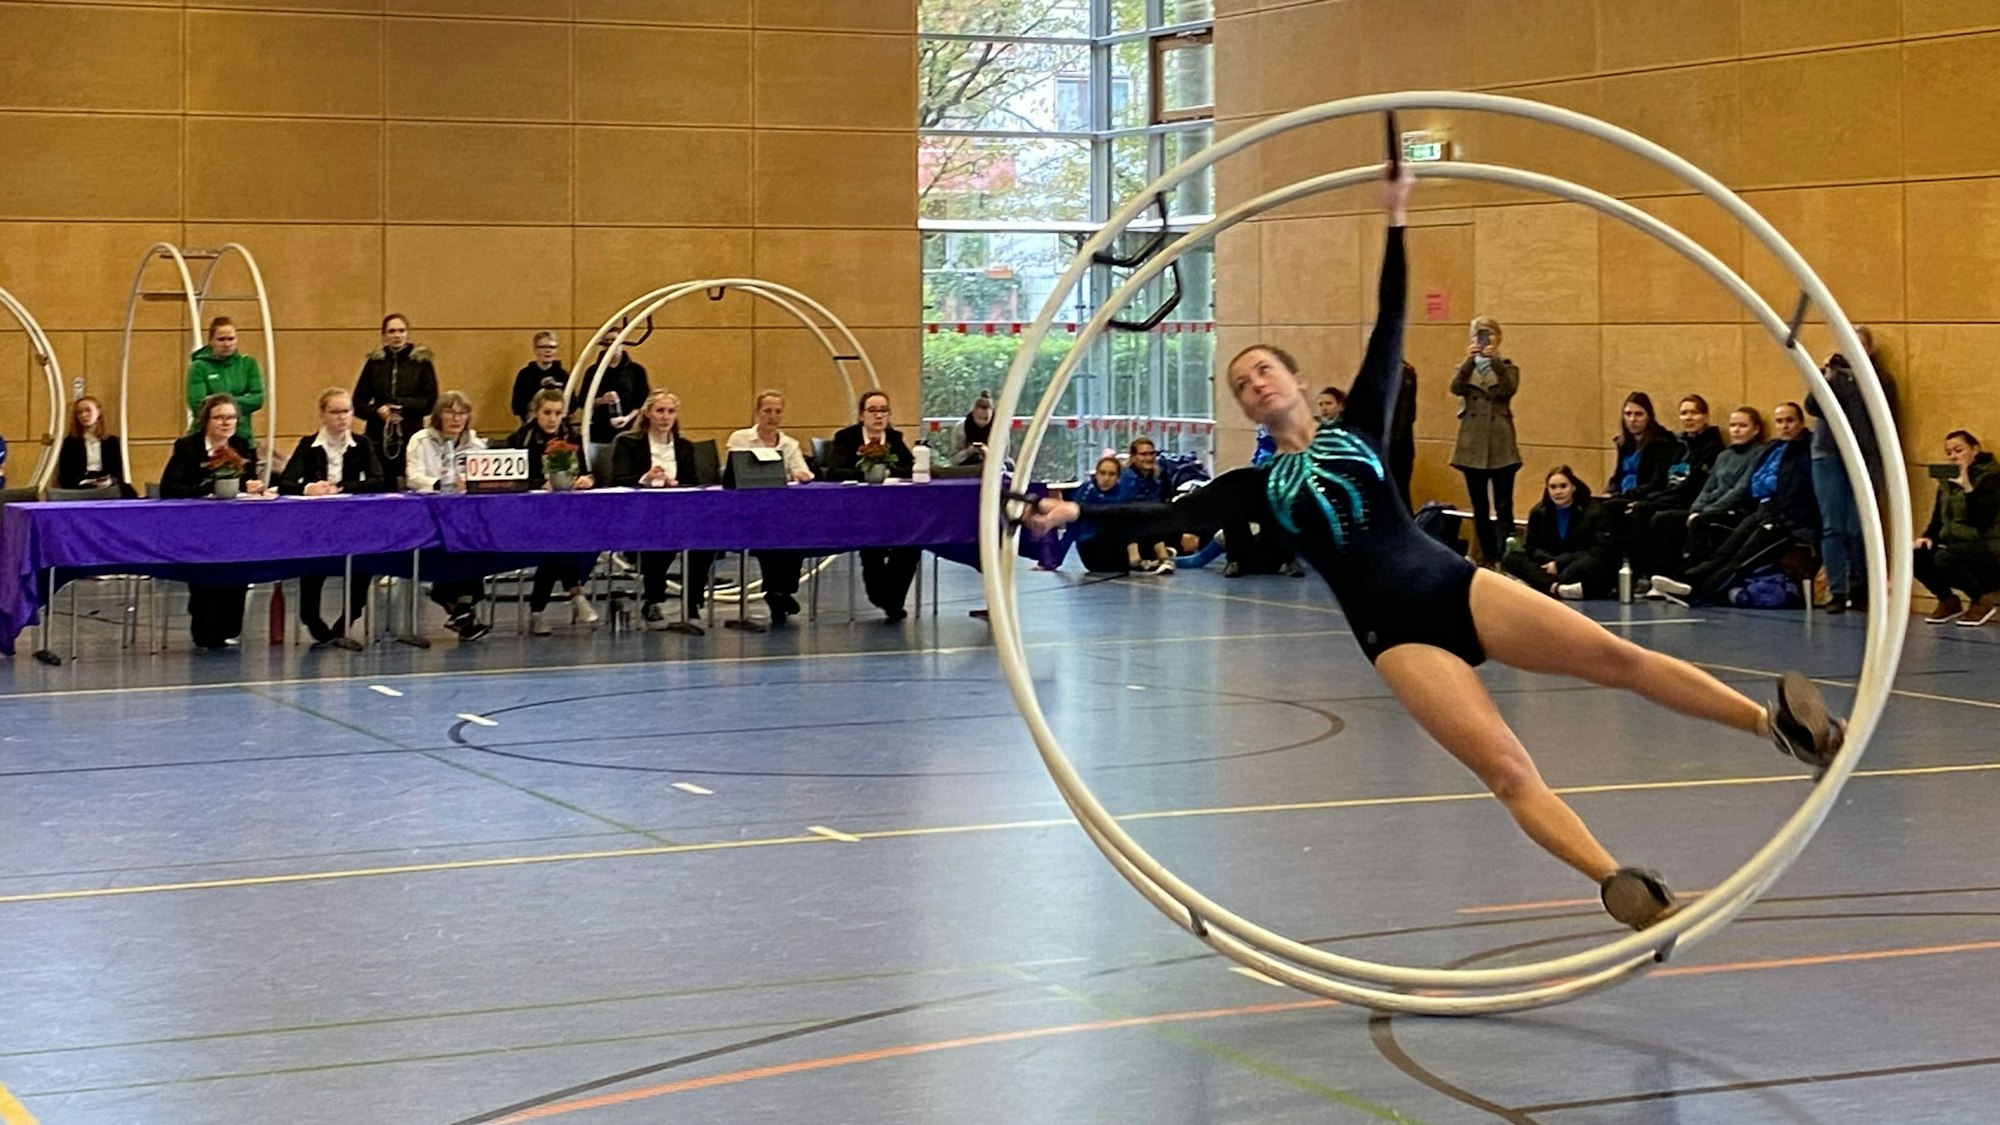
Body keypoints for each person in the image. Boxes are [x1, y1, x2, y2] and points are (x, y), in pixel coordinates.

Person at [1022, 169, 1845, 932]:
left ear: (1297, 380)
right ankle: (1622, 884)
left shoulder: (1361, 431)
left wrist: (1397, 216)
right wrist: (1076, 511)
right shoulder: (1255, 486)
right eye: (1242, 383)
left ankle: (1776, 728)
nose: (1256, 384)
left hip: (1457, 585)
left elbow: (1390, 320)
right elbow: (1157, 518)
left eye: (1265, 369)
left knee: (1615, 655)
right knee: (1509, 770)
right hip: (1398, 638)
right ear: (1242, 405)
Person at [1650, 402, 1818, 605]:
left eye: (1789, 420)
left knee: (1741, 560)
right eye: (1780, 421)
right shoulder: (1773, 448)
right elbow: (1756, 481)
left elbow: (1793, 486)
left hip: (1786, 518)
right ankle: (1685, 581)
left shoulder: (1806, 450)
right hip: (1761, 510)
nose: (1784, 426)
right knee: (1725, 552)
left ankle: (1698, 593)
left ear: (1800, 422)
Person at [277, 389, 387, 649]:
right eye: (335, 412)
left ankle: (347, 619)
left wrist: (341, 488)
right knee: (314, 566)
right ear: (323, 415)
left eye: (346, 411)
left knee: (364, 562)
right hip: (316, 525)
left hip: (352, 522)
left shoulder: (362, 444)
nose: (342, 418)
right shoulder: (308, 445)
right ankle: (312, 620)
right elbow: (286, 483)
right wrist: (309, 489)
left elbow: (378, 481)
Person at [160, 394, 264, 650]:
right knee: (206, 581)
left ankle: (230, 628)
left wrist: (253, 486)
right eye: (219, 417)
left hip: (234, 527)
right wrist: (207, 488)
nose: (226, 422)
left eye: (230, 418)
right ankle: (204, 631)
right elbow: (170, 487)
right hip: (199, 527)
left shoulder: (241, 444)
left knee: (236, 575)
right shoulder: (187, 447)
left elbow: (247, 481)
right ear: (206, 420)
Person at [1806, 327, 1897, 614]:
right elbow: (1812, 406)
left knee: (1861, 524)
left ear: (1868, 351)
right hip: (1828, 453)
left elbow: (1872, 418)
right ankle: (1837, 590)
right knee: (1833, 525)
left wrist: (1854, 382)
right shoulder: (1832, 376)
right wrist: (1827, 379)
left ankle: (1860, 588)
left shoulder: (1880, 381)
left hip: (1865, 455)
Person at [611, 390, 718, 627]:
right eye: (660, 411)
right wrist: (644, 479)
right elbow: (617, 479)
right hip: (641, 511)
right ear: (648, 413)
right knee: (661, 535)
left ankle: (692, 602)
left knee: (706, 539)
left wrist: (674, 484)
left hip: (679, 510)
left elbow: (695, 481)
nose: (665, 417)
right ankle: (653, 598)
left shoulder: (684, 447)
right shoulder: (628, 443)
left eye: (671, 411)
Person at [1641, 406, 1765, 591]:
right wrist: (1696, 508)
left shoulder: (1759, 453)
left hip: (1737, 512)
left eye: (1742, 425)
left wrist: (1705, 512)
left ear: (1755, 430)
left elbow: (1740, 490)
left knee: (1701, 523)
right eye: (1732, 425)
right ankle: (1660, 577)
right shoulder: (1724, 456)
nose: (1736, 430)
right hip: (1710, 508)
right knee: (1663, 520)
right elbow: (1709, 487)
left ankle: (1688, 579)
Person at [506, 389, 599, 635]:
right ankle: (576, 593)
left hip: (568, 514)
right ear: (535, 413)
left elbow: (588, 472)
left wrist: (586, 480)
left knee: (570, 544)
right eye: (547, 413)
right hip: (529, 516)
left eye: (558, 413)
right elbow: (511, 480)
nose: (552, 418)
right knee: (556, 545)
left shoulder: (573, 437)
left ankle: (538, 610)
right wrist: (539, 485)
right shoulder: (520, 439)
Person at [824, 390, 919, 621]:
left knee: (912, 543)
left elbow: (911, 468)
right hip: (857, 511)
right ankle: (881, 596)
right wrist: (867, 473)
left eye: (883, 410)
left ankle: (893, 600)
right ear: (861, 415)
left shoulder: (894, 438)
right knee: (872, 544)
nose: (878, 416)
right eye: (873, 410)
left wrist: (888, 472)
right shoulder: (846, 437)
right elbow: (833, 471)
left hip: (895, 510)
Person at [406, 390, 490, 640]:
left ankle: (459, 606)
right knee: (451, 540)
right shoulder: (420, 440)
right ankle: (460, 605)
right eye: (450, 412)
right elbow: (413, 476)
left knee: (476, 541)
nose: (457, 418)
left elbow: (485, 478)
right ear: (437, 415)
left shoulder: (476, 444)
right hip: (428, 513)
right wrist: (442, 484)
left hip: (465, 516)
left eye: (462, 413)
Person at [726, 390, 814, 626]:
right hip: (746, 510)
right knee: (769, 535)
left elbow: (802, 472)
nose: (772, 417)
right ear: (757, 413)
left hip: (780, 511)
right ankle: (777, 593)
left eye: (777, 411)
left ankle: (781, 592)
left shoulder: (789, 444)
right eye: (767, 411)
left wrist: (801, 474)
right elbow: (734, 474)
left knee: (793, 535)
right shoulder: (740, 439)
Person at [1450, 315, 1521, 563]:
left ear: (1498, 338)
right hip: (1472, 445)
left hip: (1500, 443)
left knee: (1503, 504)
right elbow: (1456, 387)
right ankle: (1487, 555)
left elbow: (1506, 389)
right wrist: (1471, 360)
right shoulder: (1464, 368)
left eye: (1488, 333)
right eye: (1478, 334)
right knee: (1479, 506)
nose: (1483, 339)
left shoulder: (1508, 366)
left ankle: (1508, 555)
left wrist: (1495, 363)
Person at [1913, 430, 2000, 627]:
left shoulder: (1991, 478)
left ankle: (1981, 599)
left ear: (1975, 450)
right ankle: (1948, 600)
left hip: (1987, 549)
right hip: (1957, 546)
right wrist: (1927, 538)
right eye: (1949, 452)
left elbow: (1982, 520)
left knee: (1947, 557)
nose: (1953, 456)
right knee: (1916, 555)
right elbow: (1937, 520)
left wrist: (1968, 488)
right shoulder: (1946, 483)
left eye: (1959, 450)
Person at [1500, 467, 1618, 599]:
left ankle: (1541, 584)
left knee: (1594, 564)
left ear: (1573, 487)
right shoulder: (1539, 513)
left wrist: (1559, 564)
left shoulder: (1595, 512)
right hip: (1548, 563)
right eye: (1553, 487)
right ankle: (1556, 588)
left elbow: (1600, 550)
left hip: (1576, 563)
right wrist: (1549, 562)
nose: (1558, 492)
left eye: (1563, 486)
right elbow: (1531, 547)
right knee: (1511, 558)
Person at [353, 313, 439, 485]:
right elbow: (358, 402)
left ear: (407, 333)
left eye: (401, 331)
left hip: (410, 433)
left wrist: (401, 405)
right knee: (381, 481)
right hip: (378, 434)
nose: (397, 335)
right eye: (392, 331)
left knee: (410, 480)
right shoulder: (374, 363)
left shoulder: (421, 362)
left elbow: (430, 402)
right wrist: (377, 411)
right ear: (384, 335)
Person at [185, 317, 266, 445]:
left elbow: (258, 399)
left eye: (231, 339)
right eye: (221, 339)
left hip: (242, 437)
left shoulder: (249, 364)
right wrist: (241, 401)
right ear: (211, 341)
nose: (227, 344)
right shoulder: (199, 367)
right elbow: (197, 405)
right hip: (204, 440)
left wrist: (217, 402)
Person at [576, 330, 648, 446]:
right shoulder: (592, 371)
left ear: (622, 342)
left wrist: (627, 418)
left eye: (614, 341)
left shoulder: (636, 371)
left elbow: (642, 402)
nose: (611, 345)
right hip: (600, 432)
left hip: (630, 431)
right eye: (607, 342)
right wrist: (601, 400)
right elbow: (582, 401)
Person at [56, 396, 126, 491]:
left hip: (108, 486)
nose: (84, 415)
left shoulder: (112, 442)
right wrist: (84, 482)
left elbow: (119, 472)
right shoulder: (70, 443)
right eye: (79, 412)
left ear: (98, 412)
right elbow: (65, 476)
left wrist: (110, 481)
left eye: (88, 410)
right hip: (80, 486)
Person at [511, 331, 567, 423]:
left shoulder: (562, 374)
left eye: (552, 347)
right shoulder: (525, 374)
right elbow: (516, 406)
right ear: (535, 350)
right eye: (543, 347)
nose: (548, 351)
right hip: (531, 424)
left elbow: (571, 403)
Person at [1389, 360, 1418, 510]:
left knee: (1398, 492)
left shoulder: (1403, 372)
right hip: (1390, 443)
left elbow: (1406, 414)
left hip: (1396, 445)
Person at [947, 390, 996, 466]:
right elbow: (954, 459)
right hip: (966, 466)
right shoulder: (960, 428)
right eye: (979, 418)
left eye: (986, 419)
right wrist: (968, 452)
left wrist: (987, 452)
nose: (982, 422)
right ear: (973, 414)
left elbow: (1004, 457)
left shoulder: (999, 429)